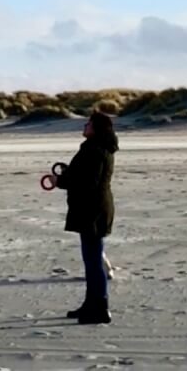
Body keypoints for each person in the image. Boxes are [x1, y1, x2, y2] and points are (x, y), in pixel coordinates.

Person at [50, 110, 118, 324]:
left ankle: (100, 307)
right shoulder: (98, 149)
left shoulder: (95, 150)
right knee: (91, 260)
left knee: (93, 260)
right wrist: (67, 175)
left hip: (93, 211)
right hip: (95, 209)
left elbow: (87, 183)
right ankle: (91, 303)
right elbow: (85, 177)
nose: (84, 127)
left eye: (88, 124)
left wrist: (60, 181)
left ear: (96, 128)